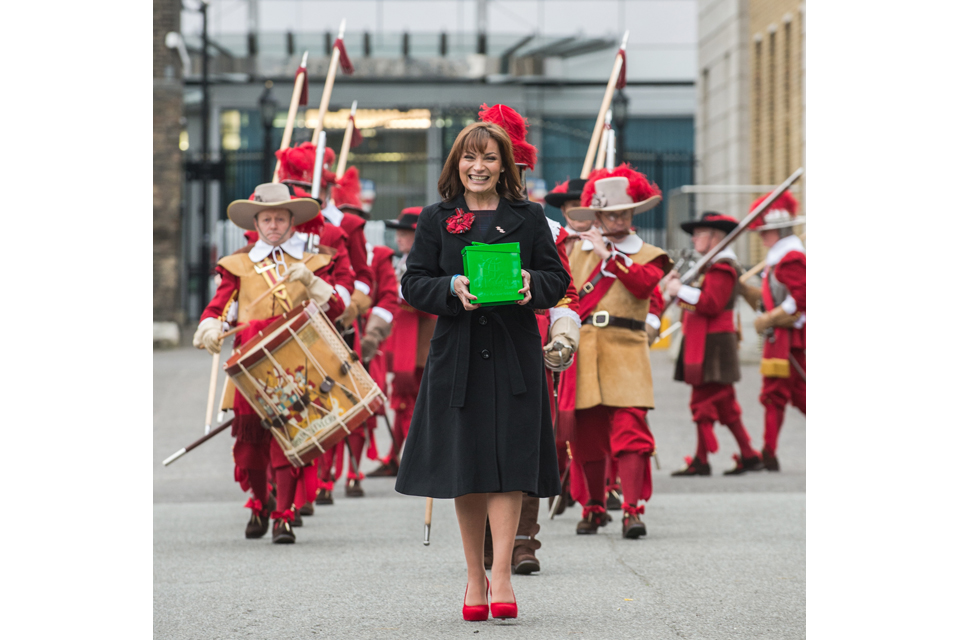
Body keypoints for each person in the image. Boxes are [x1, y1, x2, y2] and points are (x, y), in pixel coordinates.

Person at [395, 121, 569, 621]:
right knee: (466, 469)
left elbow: (557, 279)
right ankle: (474, 577)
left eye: (490, 158)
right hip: (459, 355)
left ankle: (503, 578)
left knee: (509, 466)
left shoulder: (530, 216)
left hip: (514, 351)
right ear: (456, 164)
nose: (479, 166)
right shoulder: (436, 218)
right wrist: (451, 288)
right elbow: (414, 284)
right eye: (470, 158)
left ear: (503, 166)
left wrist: (530, 282)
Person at [192, 183, 345, 544]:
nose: (274, 225)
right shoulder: (238, 264)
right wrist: (212, 328)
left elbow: (337, 310)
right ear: (256, 223)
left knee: (288, 441)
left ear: (292, 222)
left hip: (296, 365)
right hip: (249, 365)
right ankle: (261, 502)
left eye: (280, 218)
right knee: (249, 448)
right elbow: (219, 307)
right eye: (267, 219)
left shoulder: (312, 262)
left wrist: (311, 281)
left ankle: (284, 516)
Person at [478, 104, 581, 575]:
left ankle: (523, 542)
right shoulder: (457, 218)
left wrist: (564, 332)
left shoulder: (544, 224)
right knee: (478, 442)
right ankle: (482, 538)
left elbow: (566, 289)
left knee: (524, 442)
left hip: (529, 340)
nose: (506, 177)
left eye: (514, 169)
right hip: (475, 340)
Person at [565, 164, 673, 539]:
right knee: (588, 438)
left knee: (631, 434)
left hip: (627, 349)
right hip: (585, 350)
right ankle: (593, 506)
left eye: (624, 212)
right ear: (597, 214)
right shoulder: (574, 250)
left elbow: (644, 286)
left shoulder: (650, 254)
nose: (617, 219)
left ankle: (632, 509)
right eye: (610, 214)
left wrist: (609, 256)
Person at [664, 212, 762, 476]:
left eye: (700, 233)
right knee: (725, 405)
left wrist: (679, 291)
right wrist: (678, 292)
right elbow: (696, 302)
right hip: (708, 342)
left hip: (714, 344)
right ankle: (749, 454)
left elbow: (710, 304)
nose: (694, 238)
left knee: (702, 403)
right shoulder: (711, 265)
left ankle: (702, 458)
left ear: (715, 237)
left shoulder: (722, 266)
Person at [367, 208, 438, 478]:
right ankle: (396, 457)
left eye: (405, 233)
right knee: (403, 400)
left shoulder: (430, 261)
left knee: (415, 400)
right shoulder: (403, 261)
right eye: (398, 232)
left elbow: (423, 299)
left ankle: (418, 459)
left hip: (421, 343)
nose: (399, 238)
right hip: (403, 341)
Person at [744, 191, 806, 471]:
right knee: (776, 395)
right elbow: (770, 297)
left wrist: (770, 318)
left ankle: (768, 450)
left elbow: (803, 298)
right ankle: (768, 450)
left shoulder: (790, 257)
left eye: (765, 232)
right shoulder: (778, 257)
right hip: (780, 338)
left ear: (778, 230)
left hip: (791, 338)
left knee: (797, 395)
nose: (761, 236)